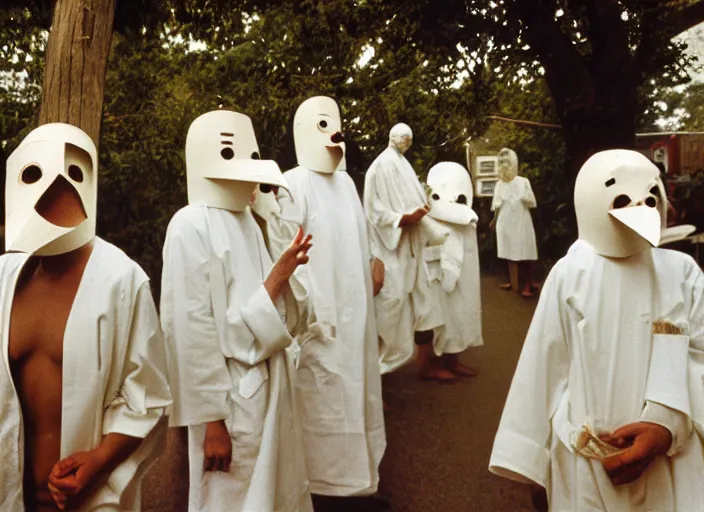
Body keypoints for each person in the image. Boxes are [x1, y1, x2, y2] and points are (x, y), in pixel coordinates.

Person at [489, 150, 704, 511]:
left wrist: (666, 426)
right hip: (588, 463)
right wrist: (531, 460)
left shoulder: (681, 273)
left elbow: (698, 353)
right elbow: (544, 363)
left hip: (671, 459)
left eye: (651, 198)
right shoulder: (572, 273)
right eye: (622, 199)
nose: (641, 207)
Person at [1, 123, 171, 511]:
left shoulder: (121, 280)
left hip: (89, 498)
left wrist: (99, 459)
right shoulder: (4, 278)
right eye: (34, 176)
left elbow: (148, 395)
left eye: (72, 176)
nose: (54, 189)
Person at [160, 110, 313, 512]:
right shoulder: (190, 224)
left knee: (267, 493)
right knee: (227, 499)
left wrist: (283, 266)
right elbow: (188, 328)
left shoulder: (244, 220)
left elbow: (277, 310)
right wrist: (212, 421)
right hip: (228, 400)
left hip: (263, 387)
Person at [267, 96, 387, 510]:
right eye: (323, 125)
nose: (334, 134)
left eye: (335, 124)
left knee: (358, 392)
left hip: (356, 314)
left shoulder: (348, 183)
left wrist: (374, 261)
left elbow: (361, 234)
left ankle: (361, 483)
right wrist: (308, 315)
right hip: (319, 319)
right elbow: (285, 251)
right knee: (322, 400)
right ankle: (325, 493)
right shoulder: (293, 183)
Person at [363, 123, 450, 381]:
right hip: (388, 250)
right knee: (388, 309)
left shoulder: (403, 164)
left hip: (409, 249)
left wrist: (418, 213)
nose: (407, 142)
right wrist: (401, 219)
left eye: (410, 139)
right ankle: (376, 379)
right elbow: (373, 210)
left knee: (416, 305)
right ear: (393, 137)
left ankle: (413, 367)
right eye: (404, 138)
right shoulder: (379, 167)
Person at [422, 162, 483, 377]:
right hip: (437, 275)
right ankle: (429, 366)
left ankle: (452, 360)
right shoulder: (428, 216)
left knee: (459, 313)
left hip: (462, 275)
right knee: (436, 316)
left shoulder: (466, 218)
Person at [490, 147, 538, 298]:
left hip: (521, 221)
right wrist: (494, 220)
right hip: (505, 222)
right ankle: (514, 283)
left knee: (526, 250)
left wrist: (524, 197)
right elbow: (497, 206)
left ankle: (527, 284)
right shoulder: (499, 184)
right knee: (509, 251)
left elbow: (532, 202)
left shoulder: (523, 182)